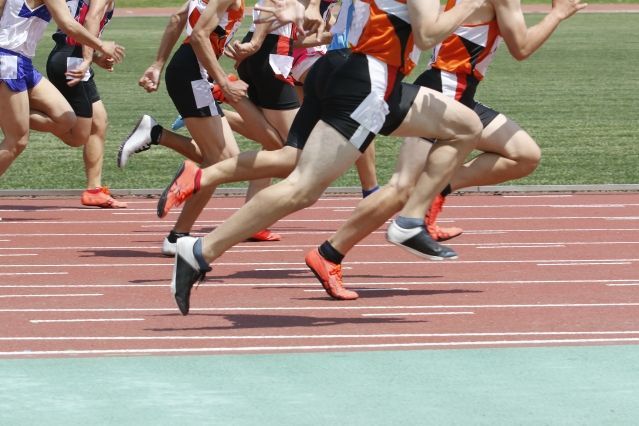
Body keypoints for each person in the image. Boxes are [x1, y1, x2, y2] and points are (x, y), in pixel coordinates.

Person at [158, 0, 488, 314]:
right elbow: (428, 34)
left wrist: (307, 9)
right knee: (302, 188)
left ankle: (411, 219)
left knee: (465, 125)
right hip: (369, 83)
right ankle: (200, 250)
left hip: (350, 70)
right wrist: (470, 6)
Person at [301, 0, 588, 299]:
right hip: (444, 89)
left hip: (462, 93)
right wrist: (557, 14)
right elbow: (522, 48)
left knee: (524, 155)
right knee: (401, 188)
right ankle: (330, 253)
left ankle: (434, 191)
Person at [0, 0, 124, 178]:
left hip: (23, 62)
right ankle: (8, 115)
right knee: (17, 141)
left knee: (65, 119)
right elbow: (68, 24)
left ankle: (6, 114)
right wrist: (101, 45)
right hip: (9, 60)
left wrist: (93, 57)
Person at [45, 0, 126, 208]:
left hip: (70, 55)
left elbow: (77, 24)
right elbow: (91, 18)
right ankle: (19, 116)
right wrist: (88, 60)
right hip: (72, 60)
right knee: (78, 136)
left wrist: (94, 58)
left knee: (99, 123)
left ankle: (94, 190)